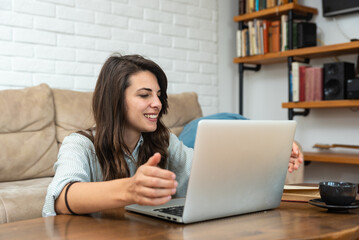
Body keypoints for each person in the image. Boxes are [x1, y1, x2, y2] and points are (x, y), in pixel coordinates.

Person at [42, 54, 303, 217]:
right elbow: (63, 197)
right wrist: (131, 189)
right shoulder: (80, 145)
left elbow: (211, 170)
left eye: (158, 95)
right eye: (144, 95)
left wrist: (271, 155)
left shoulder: (162, 141)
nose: (156, 103)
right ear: (114, 101)